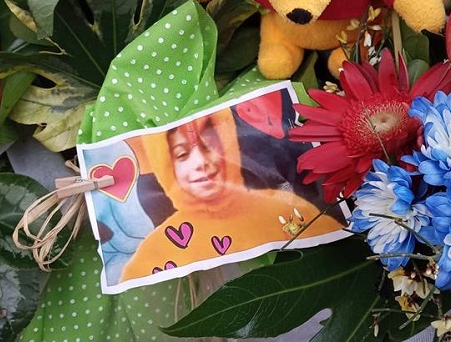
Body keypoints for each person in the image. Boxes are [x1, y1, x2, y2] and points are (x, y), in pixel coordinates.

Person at [120, 107, 345, 281]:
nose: (200, 162)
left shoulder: (287, 207)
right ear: (166, 167)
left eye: (209, 145)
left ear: (228, 145)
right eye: (182, 155)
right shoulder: (154, 252)